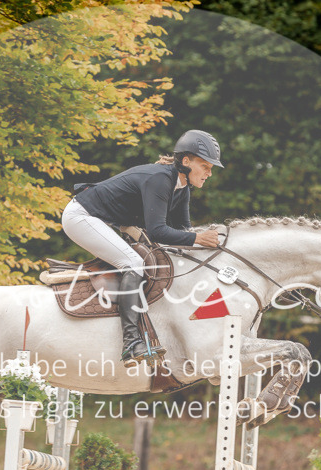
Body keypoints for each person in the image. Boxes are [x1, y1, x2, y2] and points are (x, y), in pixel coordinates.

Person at [62, 130, 222, 365]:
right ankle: (131, 343)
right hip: (81, 216)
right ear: (186, 161)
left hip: (103, 221)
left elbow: (182, 233)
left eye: (211, 168)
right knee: (133, 263)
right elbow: (158, 231)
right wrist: (198, 238)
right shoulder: (160, 179)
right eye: (205, 166)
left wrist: (204, 243)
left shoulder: (182, 188)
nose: (209, 173)